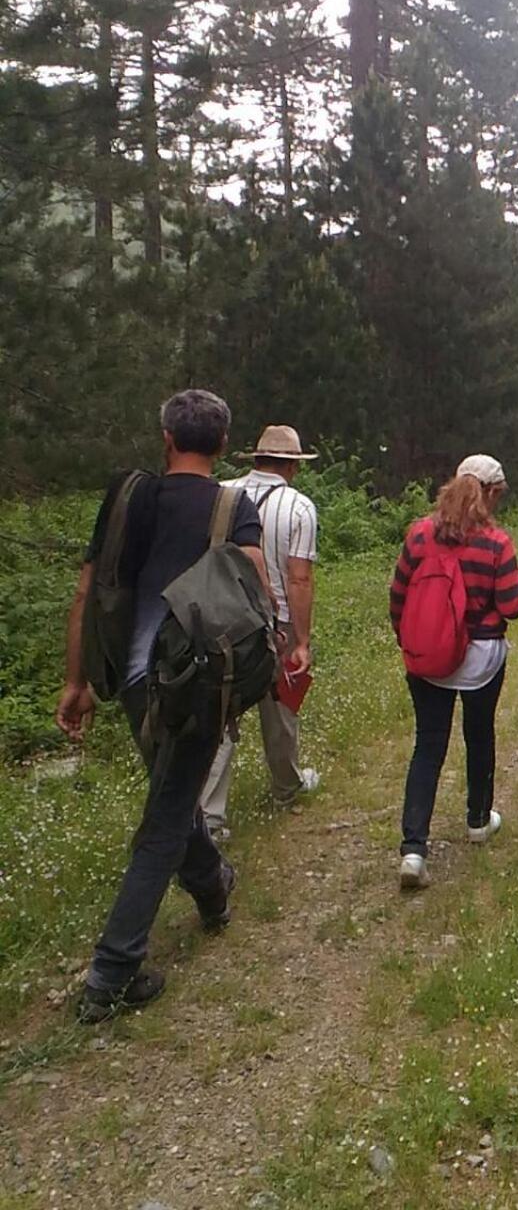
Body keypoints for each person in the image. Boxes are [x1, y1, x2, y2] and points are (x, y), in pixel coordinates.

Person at [55, 390, 270, 1023]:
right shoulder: (233, 506)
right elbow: (257, 594)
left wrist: (76, 681)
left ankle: (212, 887)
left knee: (172, 796)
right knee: (166, 815)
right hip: (193, 685)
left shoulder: (129, 497)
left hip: (130, 680)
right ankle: (112, 973)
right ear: (223, 445)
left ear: (167, 438)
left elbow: (87, 591)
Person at [389, 454, 518, 890]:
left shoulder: (419, 533)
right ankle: (477, 820)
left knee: (428, 745)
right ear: (491, 493)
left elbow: (398, 595)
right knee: (479, 735)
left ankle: (413, 849)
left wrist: (411, 640)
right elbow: (512, 605)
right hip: (480, 659)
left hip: (428, 657)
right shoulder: (496, 543)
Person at [201, 425, 321, 838]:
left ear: (256, 459)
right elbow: (299, 577)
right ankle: (286, 786)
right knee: (281, 707)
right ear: (292, 466)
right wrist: (302, 640)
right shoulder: (299, 507)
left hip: (221, 619)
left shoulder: (221, 493)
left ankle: (210, 816)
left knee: (221, 714)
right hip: (276, 621)